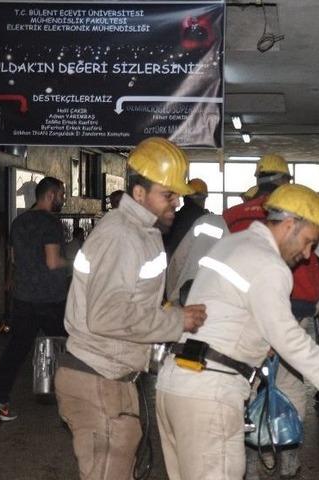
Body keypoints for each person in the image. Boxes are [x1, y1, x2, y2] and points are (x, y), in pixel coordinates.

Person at [156, 184, 319, 480]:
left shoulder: (234, 243)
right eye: (307, 242)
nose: (307, 255)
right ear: (290, 225)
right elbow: (285, 334)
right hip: (209, 395)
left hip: (177, 384)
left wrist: (256, 340)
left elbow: (230, 310)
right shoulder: (269, 264)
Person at [55, 137, 208, 480]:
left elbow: (129, 299)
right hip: (96, 377)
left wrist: (166, 309)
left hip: (112, 375)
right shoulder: (122, 236)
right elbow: (107, 315)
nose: (175, 203)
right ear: (139, 194)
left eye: (177, 195)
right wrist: (175, 320)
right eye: (167, 195)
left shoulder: (143, 231)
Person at [224, 153, 319, 478]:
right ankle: (289, 460)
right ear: (286, 181)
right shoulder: (295, 217)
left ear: (257, 179)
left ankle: (250, 464)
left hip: (246, 314)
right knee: (291, 386)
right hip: (295, 312)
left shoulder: (233, 215)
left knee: (247, 388)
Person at [0, 176, 69, 421]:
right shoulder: (51, 224)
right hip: (50, 298)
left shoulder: (18, 222)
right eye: (62, 195)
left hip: (23, 297)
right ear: (51, 195)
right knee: (67, 348)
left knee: (16, 349)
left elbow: (14, 259)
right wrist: (75, 263)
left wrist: (14, 280)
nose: (63, 199)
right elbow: (53, 262)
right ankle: (74, 403)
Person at [164, 178, 210, 258]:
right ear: (202, 199)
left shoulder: (172, 219)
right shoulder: (206, 220)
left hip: (171, 266)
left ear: (185, 198)